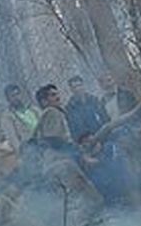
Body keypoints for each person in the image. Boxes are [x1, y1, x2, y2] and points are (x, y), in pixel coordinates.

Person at [33, 83, 103, 214]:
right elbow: (54, 140)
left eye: (57, 93)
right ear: (44, 101)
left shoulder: (56, 113)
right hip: (60, 164)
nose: (58, 97)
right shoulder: (51, 112)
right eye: (53, 95)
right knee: (91, 199)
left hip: (56, 165)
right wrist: (81, 154)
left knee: (75, 203)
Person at [65, 75, 109, 141]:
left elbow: (104, 117)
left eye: (79, 85)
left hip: (102, 135)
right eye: (75, 87)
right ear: (71, 90)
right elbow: (73, 129)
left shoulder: (94, 100)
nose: (78, 89)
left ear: (83, 86)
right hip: (85, 141)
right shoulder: (70, 107)